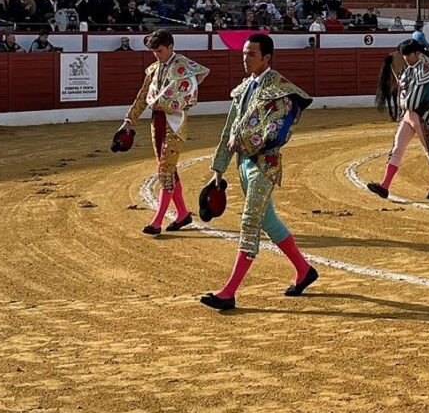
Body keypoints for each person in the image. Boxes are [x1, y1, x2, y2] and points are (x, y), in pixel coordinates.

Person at [201, 33, 316, 311]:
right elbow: (229, 127)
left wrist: (239, 142)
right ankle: (304, 270)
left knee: (250, 222)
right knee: (269, 222)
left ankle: (229, 292)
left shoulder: (281, 90)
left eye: (251, 54)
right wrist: (219, 168)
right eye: (243, 53)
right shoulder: (243, 89)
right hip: (243, 164)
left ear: (267, 58)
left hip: (264, 165)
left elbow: (276, 133)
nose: (245, 58)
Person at [121, 29, 210, 234]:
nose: (156, 55)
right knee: (169, 170)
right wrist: (129, 120)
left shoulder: (184, 66)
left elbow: (196, 80)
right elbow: (143, 96)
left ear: (171, 47)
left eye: (160, 51)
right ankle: (182, 215)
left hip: (175, 121)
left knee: (165, 170)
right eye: (154, 52)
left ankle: (157, 221)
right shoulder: (154, 68)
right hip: (157, 121)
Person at [366, 39, 429, 200]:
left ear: (417, 54)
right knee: (397, 149)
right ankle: (385, 186)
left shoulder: (427, 69)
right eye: (404, 55)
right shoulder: (405, 71)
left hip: (422, 116)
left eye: (409, 55)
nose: (406, 58)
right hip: (407, 116)